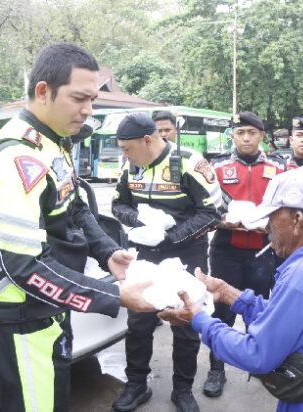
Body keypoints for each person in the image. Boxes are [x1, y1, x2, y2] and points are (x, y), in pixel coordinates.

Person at [0, 43, 155, 412]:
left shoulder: (53, 144)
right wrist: (114, 296)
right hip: (18, 322)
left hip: (47, 311)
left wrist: (107, 253)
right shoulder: (15, 159)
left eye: (93, 100)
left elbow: (75, 210)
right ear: (43, 91)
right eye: (79, 98)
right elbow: (24, 267)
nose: (88, 110)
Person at [158, 168, 303, 411]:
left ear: (297, 221)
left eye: (272, 217)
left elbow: (257, 355)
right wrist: (229, 294)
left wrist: (199, 319)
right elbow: (291, 319)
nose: (266, 227)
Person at [111, 112, 221, 412]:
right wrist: (139, 219)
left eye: (127, 148)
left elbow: (213, 212)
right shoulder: (131, 166)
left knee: (185, 324)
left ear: (147, 140)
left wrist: (170, 237)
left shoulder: (189, 162)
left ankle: (182, 389)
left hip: (186, 254)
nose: (124, 154)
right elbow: (117, 204)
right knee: (138, 322)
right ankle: (136, 385)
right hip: (144, 253)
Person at [203, 111, 285, 397]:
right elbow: (206, 206)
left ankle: (261, 364)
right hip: (227, 247)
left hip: (263, 250)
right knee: (222, 310)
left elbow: (285, 204)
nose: (246, 137)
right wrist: (220, 220)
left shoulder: (279, 167)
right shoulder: (216, 166)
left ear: (261, 135)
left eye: (252, 132)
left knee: (259, 310)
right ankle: (216, 369)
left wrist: (273, 224)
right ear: (233, 136)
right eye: (240, 133)